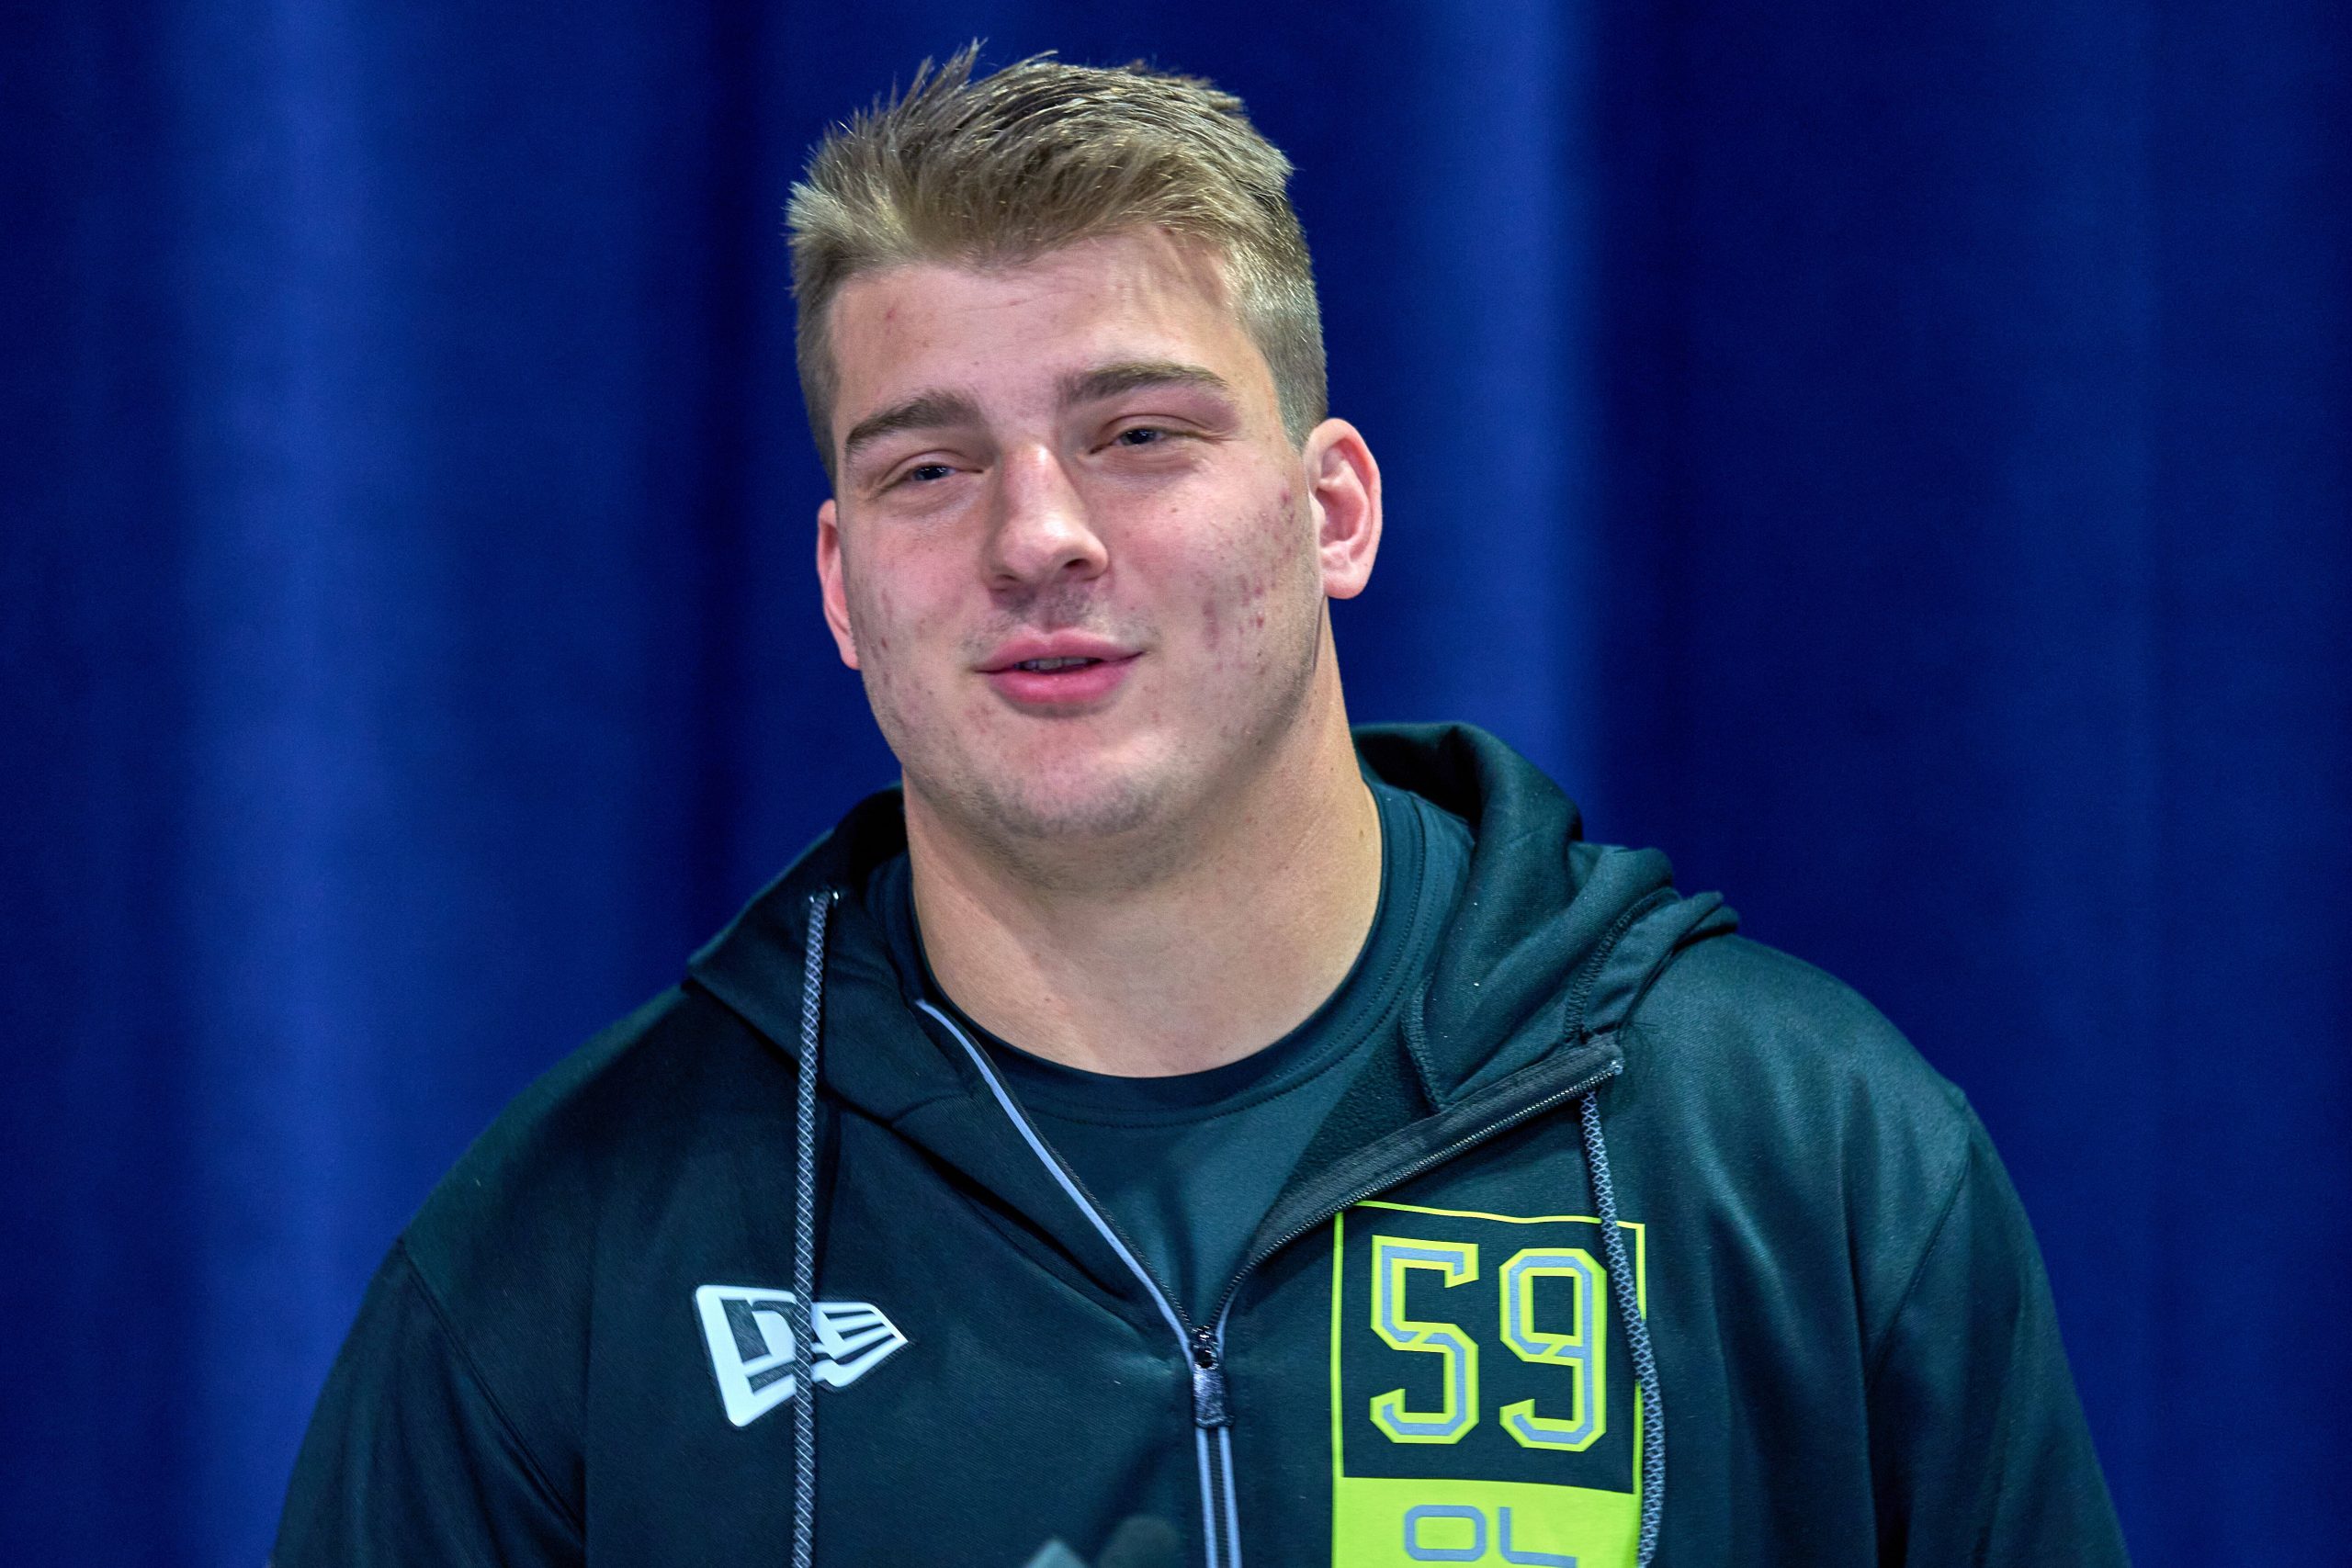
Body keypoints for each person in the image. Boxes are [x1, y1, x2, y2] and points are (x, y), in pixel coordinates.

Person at [273, 49, 2130, 1568]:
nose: (1037, 536)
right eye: (929, 468)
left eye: (1139, 435)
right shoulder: (565, 1264)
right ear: (840, 585)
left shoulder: (1802, 1157)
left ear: (1333, 510)